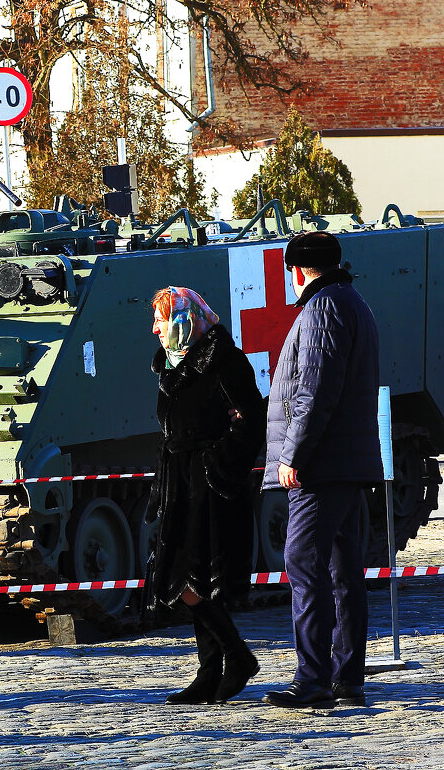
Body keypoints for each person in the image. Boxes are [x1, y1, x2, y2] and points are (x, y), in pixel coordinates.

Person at [261, 231, 382, 710]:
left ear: (297, 271)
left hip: (322, 466)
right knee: (343, 571)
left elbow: (313, 390)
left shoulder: (322, 309)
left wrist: (294, 455)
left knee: (303, 565)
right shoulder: (352, 302)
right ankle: (347, 675)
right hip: (345, 463)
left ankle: (312, 678)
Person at [146, 287, 266, 705]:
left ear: (184, 319)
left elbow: (251, 423)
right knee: (182, 580)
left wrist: (216, 463)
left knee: (196, 580)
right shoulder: (171, 364)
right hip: (180, 485)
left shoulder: (224, 360)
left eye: (161, 319)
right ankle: (213, 669)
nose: (155, 328)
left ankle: (233, 659)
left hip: (211, 487)